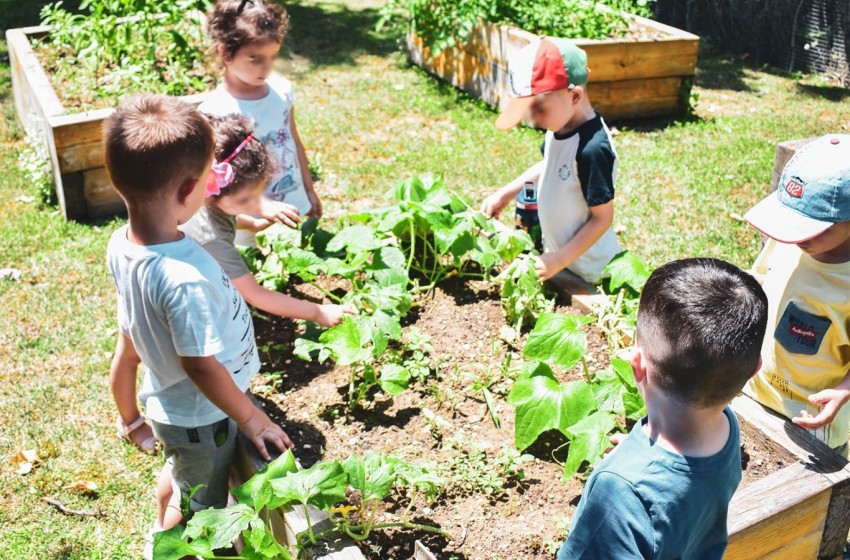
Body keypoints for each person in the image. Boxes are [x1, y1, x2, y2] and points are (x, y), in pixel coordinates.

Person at [103, 94, 293, 555]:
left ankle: (165, 510)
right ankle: (169, 545)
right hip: (202, 418)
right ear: (190, 192)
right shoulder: (184, 276)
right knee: (197, 503)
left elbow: (129, 342)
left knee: (182, 471)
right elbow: (201, 366)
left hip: (176, 413)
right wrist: (250, 416)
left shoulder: (122, 244)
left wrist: (132, 419)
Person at [559, 258, 768, 559]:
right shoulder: (725, 426)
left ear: (637, 367)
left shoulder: (620, 493)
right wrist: (635, 455)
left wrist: (626, 473)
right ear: (753, 370)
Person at [181, 113, 353, 326]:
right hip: (185, 305)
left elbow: (222, 215)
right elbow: (254, 295)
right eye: (245, 199)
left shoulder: (200, 198)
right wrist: (317, 312)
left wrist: (252, 224)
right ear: (213, 190)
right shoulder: (212, 239)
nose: (257, 205)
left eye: (258, 194)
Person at [743, 134, 850, 456]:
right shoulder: (787, 242)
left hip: (813, 422)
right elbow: (758, 282)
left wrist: (843, 393)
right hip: (752, 393)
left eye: (812, 226)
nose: (795, 237)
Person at [481, 38, 620, 283]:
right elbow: (550, 166)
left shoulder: (592, 149)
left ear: (574, 96)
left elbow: (602, 218)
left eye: (540, 109)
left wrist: (560, 259)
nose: (534, 118)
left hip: (588, 269)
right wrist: (508, 192)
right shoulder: (559, 125)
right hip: (560, 261)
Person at [200, 0, 319, 246]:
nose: (267, 66)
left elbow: (294, 141)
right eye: (255, 58)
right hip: (251, 227)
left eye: (273, 56)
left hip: (294, 207)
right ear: (225, 52)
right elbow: (211, 189)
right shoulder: (216, 112)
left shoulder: (281, 90)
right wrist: (250, 222)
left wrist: (308, 191)